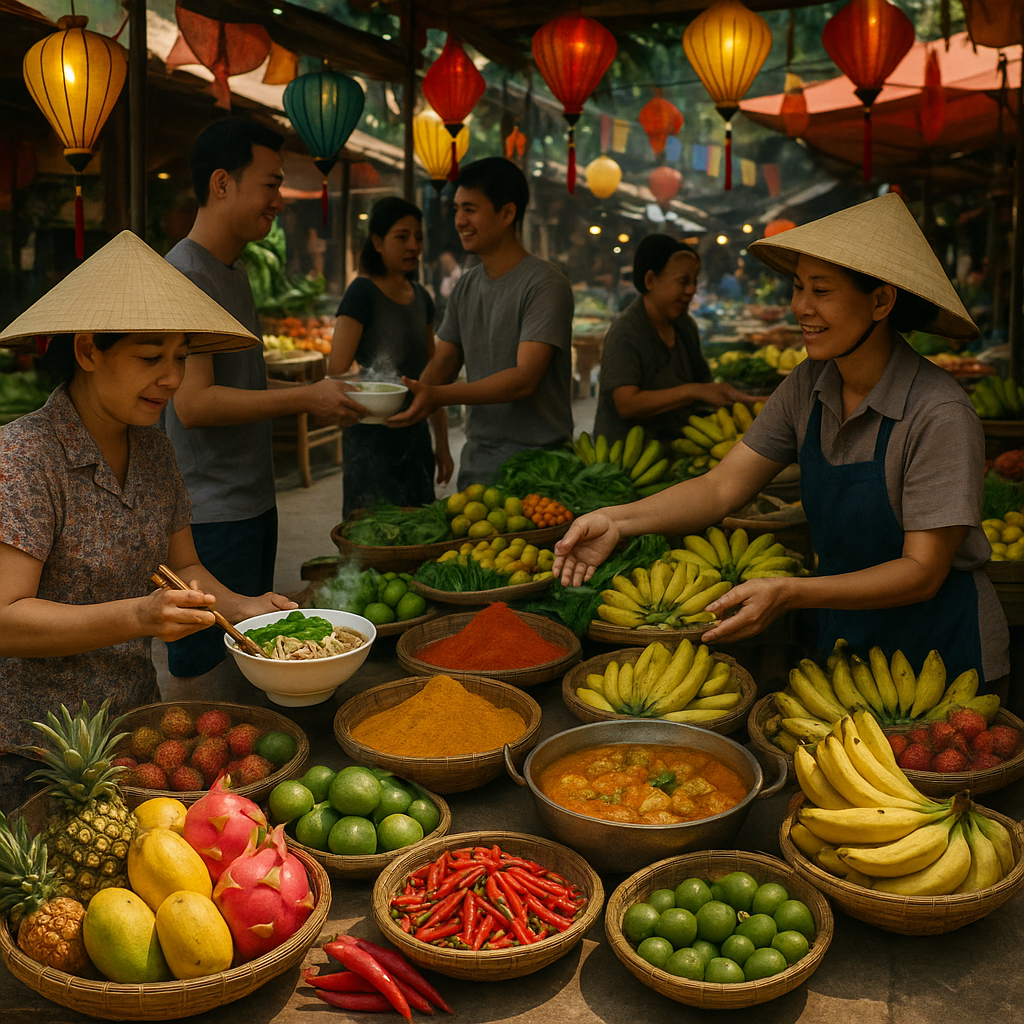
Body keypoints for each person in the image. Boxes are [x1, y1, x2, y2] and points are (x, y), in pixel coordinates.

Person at [554, 193, 1009, 689]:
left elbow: (923, 571)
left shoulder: (938, 413)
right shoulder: (807, 385)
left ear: (880, 301)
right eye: (796, 288)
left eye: (821, 291)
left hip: (942, 655)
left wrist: (791, 591)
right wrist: (614, 522)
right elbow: (720, 489)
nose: (801, 308)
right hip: (846, 644)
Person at [0, 231, 298, 812]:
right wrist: (140, 614)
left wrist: (239, 606)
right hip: (32, 754)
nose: (171, 378)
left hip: (136, 732)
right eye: (149, 357)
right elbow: (6, 620)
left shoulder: (156, 450)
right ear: (88, 351)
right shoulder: (22, 458)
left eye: (180, 358)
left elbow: (182, 564)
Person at [162, 117, 367, 679]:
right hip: (209, 514)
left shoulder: (234, 271)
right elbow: (194, 404)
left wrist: (317, 395)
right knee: (211, 669)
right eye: (271, 183)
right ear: (222, 183)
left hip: (252, 499)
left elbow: (243, 385)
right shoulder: (186, 275)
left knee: (253, 655)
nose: (279, 200)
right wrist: (305, 398)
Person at [388, 157, 575, 488]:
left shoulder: (545, 283)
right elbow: (443, 362)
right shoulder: (467, 285)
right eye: (457, 209)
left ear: (506, 214)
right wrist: (396, 399)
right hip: (478, 464)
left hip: (541, 468)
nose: (459, 221)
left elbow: (523, 380)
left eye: (470, 209)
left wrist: (438, 396)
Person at [330, 197, 453, 517]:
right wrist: (371, 392)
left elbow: (432, 375)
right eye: (402, 236)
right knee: (369, 534)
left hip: (415, 439)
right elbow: (336, 369)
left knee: (419, 533)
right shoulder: (361, 293)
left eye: (419, 237)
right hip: (370, 441)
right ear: (377, 242)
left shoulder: (422, 298)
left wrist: (442, 442)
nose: (414, 245)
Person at [594, 235, 756, 444]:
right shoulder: (626, 332)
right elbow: (627, 405)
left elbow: (703, 384)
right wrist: (694, 391)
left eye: (695, 281)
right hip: (628, 462)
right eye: (683, 281)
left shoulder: (684, 325)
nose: (692, 290)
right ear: (651, 280)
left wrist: (747, 401)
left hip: (676, 450)